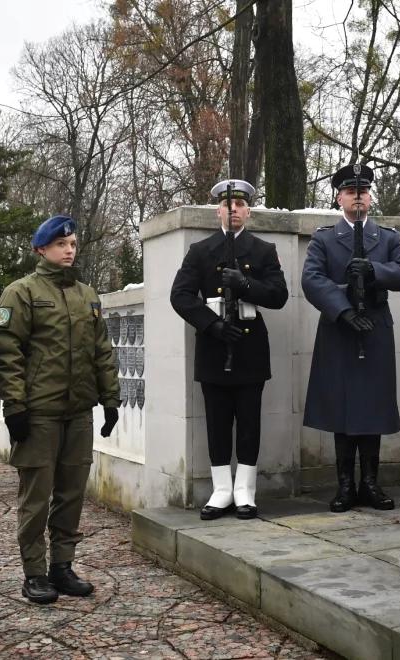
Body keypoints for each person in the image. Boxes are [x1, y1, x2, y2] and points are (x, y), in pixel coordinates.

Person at [0, 215, 120, 605]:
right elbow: (7, 353)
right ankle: (34, 572)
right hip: (39, 413)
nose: (69, 251)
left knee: (71, 493)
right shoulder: (21, 293)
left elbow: (101, 350)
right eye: (62, 245)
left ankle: (62, 566)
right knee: (36, 497)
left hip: (77, 411)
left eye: (73, 244)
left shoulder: (87, 294)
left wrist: (110, 399)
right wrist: (14, 405)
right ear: (41, 249)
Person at [170, 179, 289, 520]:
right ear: (218, 210)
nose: (233, 209)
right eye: (227, 204)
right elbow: (180, 296)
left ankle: (245, 489)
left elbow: (279, 295)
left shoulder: (263, 249)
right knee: (217, 422)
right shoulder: (201, 251)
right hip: (214, 345)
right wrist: (212, 325)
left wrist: (247, 285)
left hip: (249, 345)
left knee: (249, 422)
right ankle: (222, 488)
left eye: (239, 204)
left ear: (248, 210)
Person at [302, 164, 400, 512]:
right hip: (340, 328)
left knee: (373, 407)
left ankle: (370, 483)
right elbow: (312, 280)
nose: (358, 197)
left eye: (363, 191)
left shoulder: (388, 237)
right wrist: (343, 309)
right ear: (339, 197)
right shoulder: (323, 238)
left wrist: (375, 270)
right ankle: (345, 485)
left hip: (376, 326)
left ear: (370, 196)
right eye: (351, 191)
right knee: (342, 408)